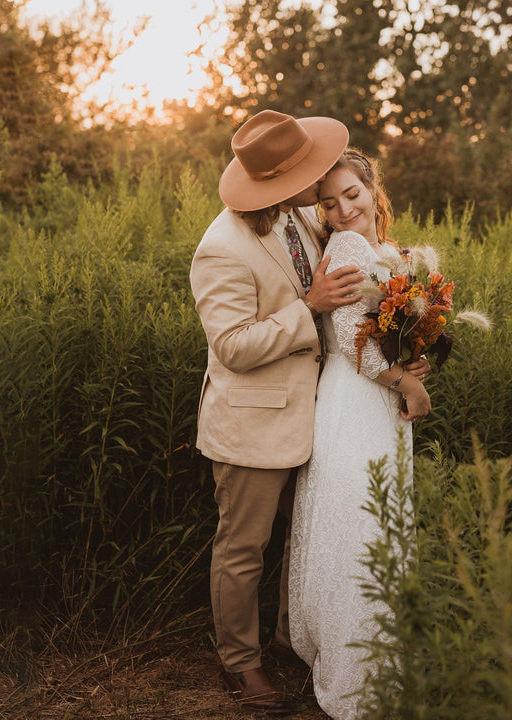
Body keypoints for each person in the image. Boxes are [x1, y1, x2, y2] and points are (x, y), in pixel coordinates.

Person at [189, 110, 366, 716]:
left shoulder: (296, 217)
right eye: (311, 175)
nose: (320, 184)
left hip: (315, 412)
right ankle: (239, 662)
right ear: (276, 183)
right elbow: (233, 346)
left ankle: (294, 639)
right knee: (244, 548)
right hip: (252, 423)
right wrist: (306, 304)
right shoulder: (220, 250)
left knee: (307, 534)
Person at [288, 148, 432, 719]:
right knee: (359, 521)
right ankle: (355, 674)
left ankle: (384, 654)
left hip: (382, 402)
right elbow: (355, 343)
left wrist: (418, 361)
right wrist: (410, 385)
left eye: (351, 194)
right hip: (354, 401)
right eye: (328, 203)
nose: (343, 210)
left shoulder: (393, 253)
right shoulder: (345, 248)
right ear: (321, 213)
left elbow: (397, 334)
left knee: (379, 518)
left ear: (373, 189)